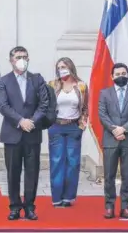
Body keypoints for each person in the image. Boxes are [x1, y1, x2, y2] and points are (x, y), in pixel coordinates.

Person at [0, 46, 53, 221]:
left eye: (25, 57)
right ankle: (14, 206)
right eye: (18, 57)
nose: (22, 60)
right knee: (13, 173)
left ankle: (29, 206)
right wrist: (21, 121)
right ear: (11, 60)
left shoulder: (37, 79)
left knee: (32, 172)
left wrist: (32, 121)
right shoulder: (3, 81)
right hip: (12, 134)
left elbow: (44, 103)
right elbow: (3, 106)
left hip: (32, 133)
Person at [97, 63, 128, 219]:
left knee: (127, 175)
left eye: (124, 73)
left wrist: (123, 129)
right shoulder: (104, 93)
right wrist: (114, 130)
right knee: (109, 175)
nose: (121, 76)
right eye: (117, 74)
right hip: (110, 139)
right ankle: (109, 207)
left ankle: (125, 208)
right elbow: (102, 115)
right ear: (112, 77)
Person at [46, 57, 89, 207]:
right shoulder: (52, 85)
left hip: (73, 127)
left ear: (71, 67)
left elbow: (85, 110)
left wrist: (81, 127)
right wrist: (49, 124)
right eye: (59, 67)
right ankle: (57, 197)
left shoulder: (82, 86)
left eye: (64, 66)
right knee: (57, 161)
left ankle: (68, 197)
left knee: (73, 162)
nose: (61, 69)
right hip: (56, 126)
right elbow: (46, 106)